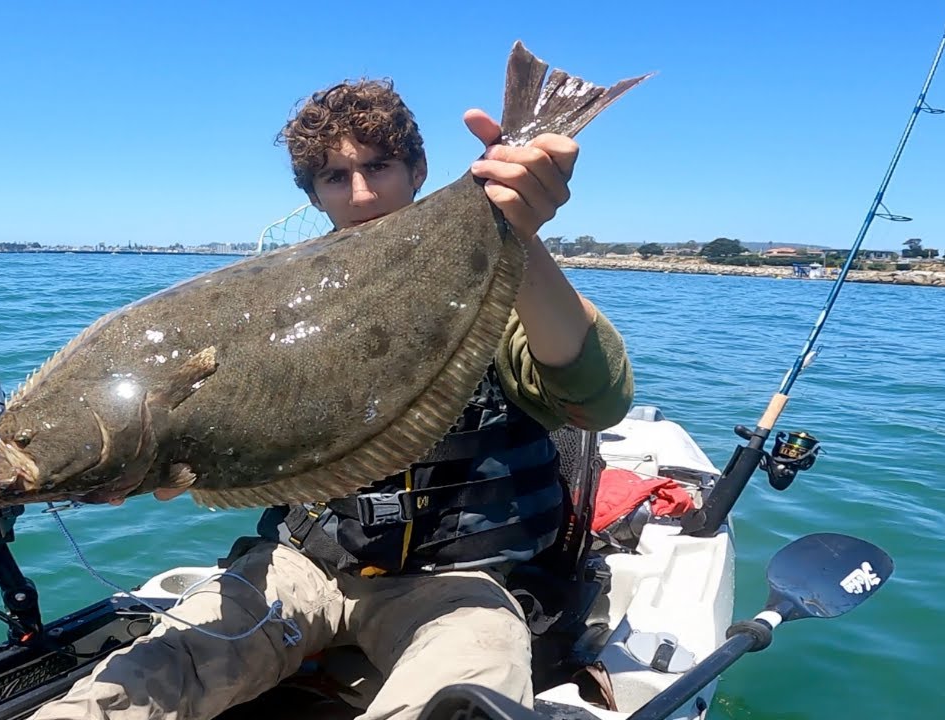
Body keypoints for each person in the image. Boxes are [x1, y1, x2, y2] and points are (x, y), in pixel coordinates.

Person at [31, 77, 633, 720]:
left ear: (419, 169)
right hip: (303, 567)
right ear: (314, 195)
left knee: (468, 692)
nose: (363, 193)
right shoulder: (273, 300)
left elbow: (596, 401)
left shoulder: (498, 286)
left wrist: (516, 229)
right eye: (336, 177)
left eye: (379, 167)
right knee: (142, 679)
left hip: (455, 587)